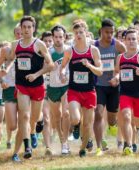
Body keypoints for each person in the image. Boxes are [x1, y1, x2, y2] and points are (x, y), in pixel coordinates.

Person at [5, 16, 54, 159]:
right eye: (24, 27)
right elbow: (10, 58)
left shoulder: (39, 44)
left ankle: (38, 123)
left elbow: (50, 65)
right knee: (24, 116)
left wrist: (36, 74)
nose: (26, 30)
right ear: (20, 28)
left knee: (33, 117)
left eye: (29, 27)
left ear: (33, 28)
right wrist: (4, 66)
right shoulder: (15, 44)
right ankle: (27, 147)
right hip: (22, 85)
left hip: (37, 85)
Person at [60, 20, 103, 157]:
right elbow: (62, 67)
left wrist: (89, 66)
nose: (78, 35)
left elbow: (100, 71)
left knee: (88, 124)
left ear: (86, 33)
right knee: (75, 118)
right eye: (76, 33)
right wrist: (62, 73)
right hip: (74, 91)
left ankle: (83, 149)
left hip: (90, 91)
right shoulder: (69, 51)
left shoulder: (93, 50)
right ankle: (76, 125)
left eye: (81, 32)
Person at [93, 19, 126, 156]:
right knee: (98, 113)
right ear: (101, 31)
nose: (109, 35)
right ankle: (99, 147)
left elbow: (126, 63)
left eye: (112, 32)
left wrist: (117, 77)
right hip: (98, 84)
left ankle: (112, 125)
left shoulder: (118, 46)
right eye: (107, 32)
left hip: (114, 86)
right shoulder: (94, 46)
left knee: (112, 117)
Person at [0, 24, 22, 162]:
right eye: (17, 32)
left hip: (25, 87)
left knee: (26, 118)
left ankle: (28, 141)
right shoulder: (7, 50)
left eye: (21, 32)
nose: (20, 35)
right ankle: (12, 138)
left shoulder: (30, 49)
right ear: (14, 34)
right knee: (12, 125)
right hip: (9, 88)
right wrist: (1, 80)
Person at [47, 25, 71, 155]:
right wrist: (51, 66)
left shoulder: (69, 50)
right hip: (53, 86)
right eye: (55, 37)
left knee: (66, 113)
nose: (58, 39)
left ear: (64, 37)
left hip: (66, 85)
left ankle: (65, 142)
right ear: (52, 37)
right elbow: (44, 67)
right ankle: (61, 138)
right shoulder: (49, 51)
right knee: (56, 117)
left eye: (60, 37)